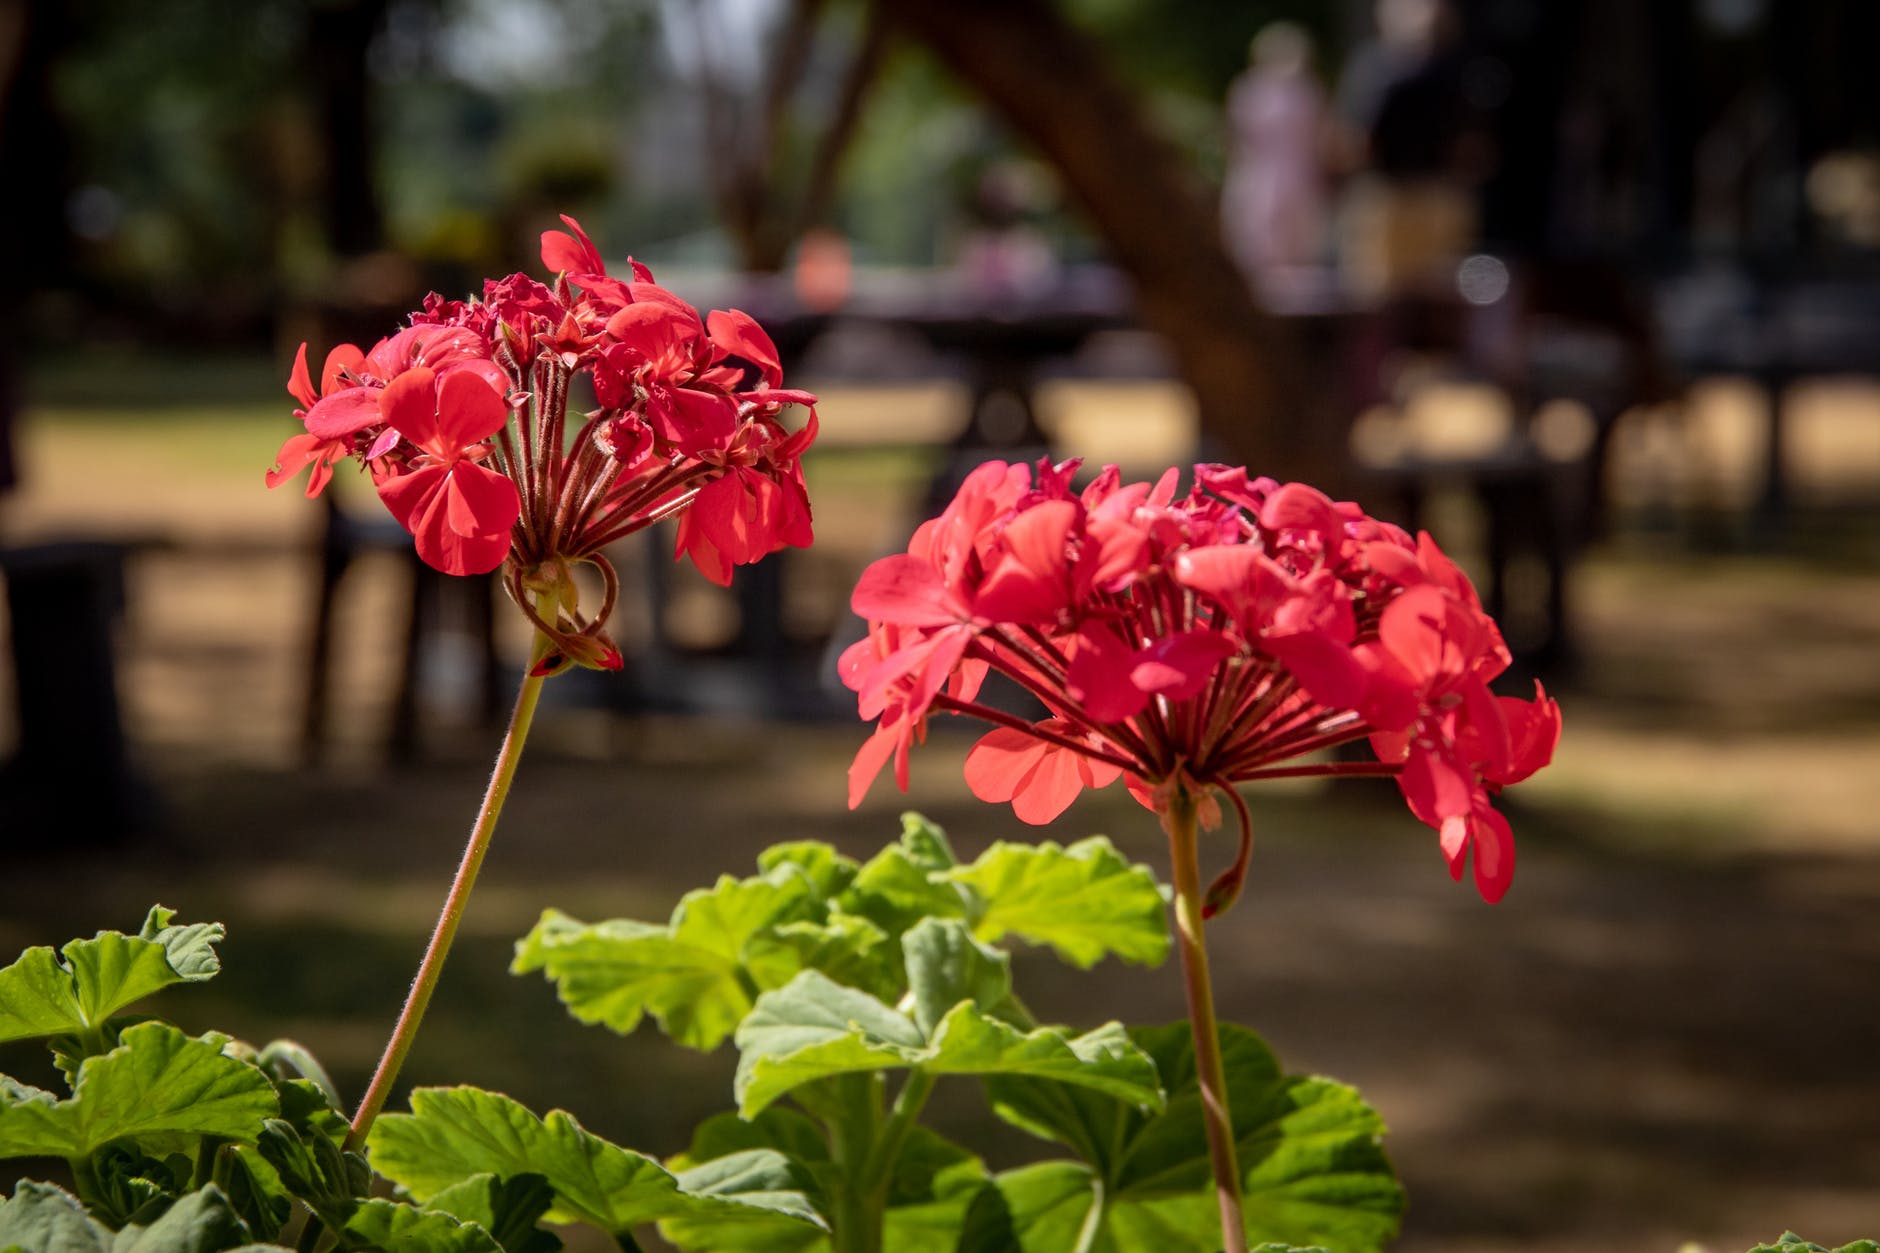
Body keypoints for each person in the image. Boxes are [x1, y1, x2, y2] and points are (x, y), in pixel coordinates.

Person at [1221, 22, 1329, 285]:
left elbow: (1321, 138)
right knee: (1260, 249)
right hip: (1261, 178)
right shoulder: (1250, 91)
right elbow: (1236, 138)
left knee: (1297, 251)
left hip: (1298, 176)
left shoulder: (1307, 91)